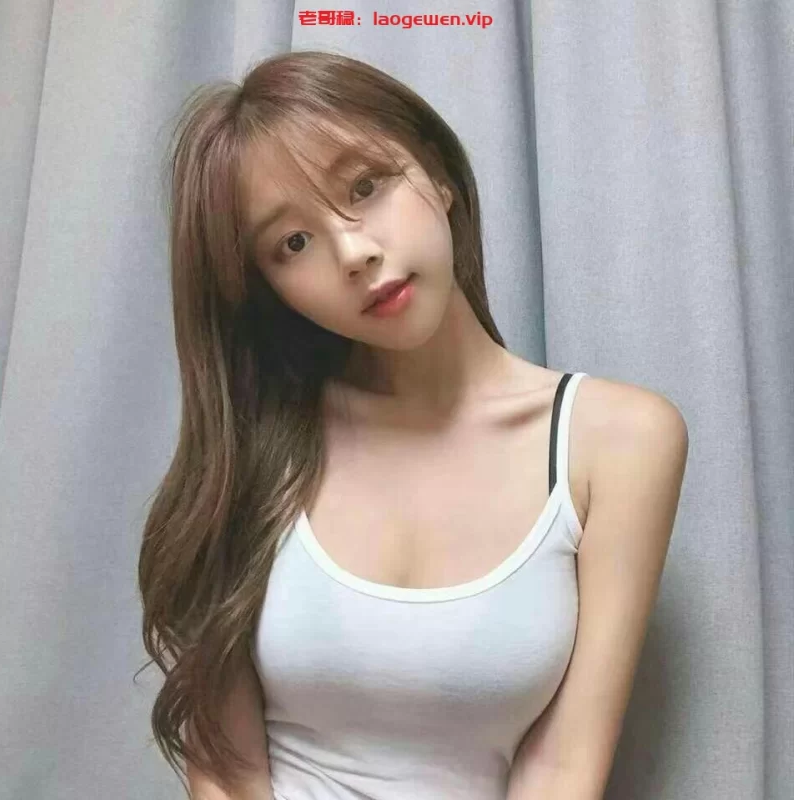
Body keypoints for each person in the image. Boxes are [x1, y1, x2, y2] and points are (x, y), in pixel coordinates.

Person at [137, 49, 689, 800]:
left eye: (366, 186)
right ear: (271, 291)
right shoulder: (255, 451)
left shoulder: (620, 442)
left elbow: (565, 766)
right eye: (293, 243)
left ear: (440, 175)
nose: (354, 252)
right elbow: (227, 776)